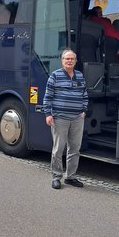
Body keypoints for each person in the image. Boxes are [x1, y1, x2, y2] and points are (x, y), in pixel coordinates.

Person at [43, 49, 88, 190]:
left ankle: (70, 177)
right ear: (62, 60)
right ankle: (56, 177)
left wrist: (84, 111)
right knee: (58, 149)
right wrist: (48, 114)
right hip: (59, 118)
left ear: (75, 61)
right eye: (66, 58)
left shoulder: (80, 76)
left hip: (77, 118)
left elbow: (85, 95)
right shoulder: (55, 76)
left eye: (72, 59)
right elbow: (47, 97)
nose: (69, 61)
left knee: (75, 149)